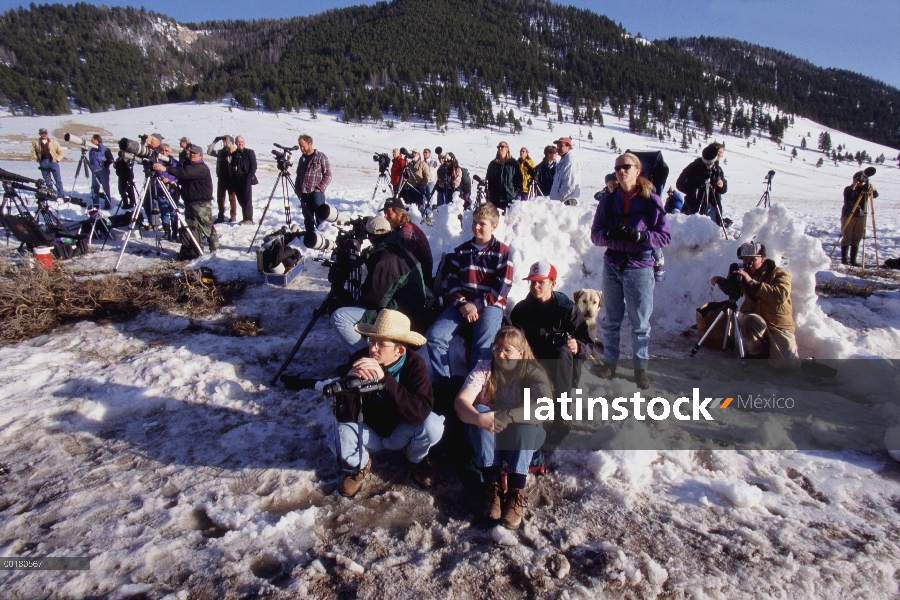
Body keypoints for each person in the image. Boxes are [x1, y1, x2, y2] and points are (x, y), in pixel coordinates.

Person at [327, 309, 444, 497]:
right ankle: (359, 465)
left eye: (381, 344)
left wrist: (385, 381)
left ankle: (415, 459)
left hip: (400, 431)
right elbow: (344, 416)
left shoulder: (415, 365)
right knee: (337, 434)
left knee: (434, 425)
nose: (373, 348)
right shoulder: (360, 359)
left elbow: (419, 412)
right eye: (371, 341)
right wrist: (348, 387)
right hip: (370, 431)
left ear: (399, 350)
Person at [455, 327, 550, 529]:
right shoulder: (484, 368)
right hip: (490, 437)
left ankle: (516, 492)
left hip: (523, 436)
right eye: (497, 349)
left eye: (507, 350)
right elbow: (461, 402)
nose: (500, 354)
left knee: (527, 419)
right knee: (480, 409)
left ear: (520, 354)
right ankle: (493, 487)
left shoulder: (532, 371)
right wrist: (478, 418)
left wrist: (508, 416)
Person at [590, 152, 671, 389]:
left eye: (626, 167)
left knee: (640, 323)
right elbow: (595, 235)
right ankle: (610, 364)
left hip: (639, 266)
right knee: (611, 319)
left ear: (637, 171)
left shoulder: (650, 200)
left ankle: (640, 368)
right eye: (617, 168)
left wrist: (641, 236)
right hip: (613, 265)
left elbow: (664, 236)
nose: (621, 171)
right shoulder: (607, 201)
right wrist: (608, 234)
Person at [426, 202, 513, 381]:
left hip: (490, 304)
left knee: (482, 348)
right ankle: (444, 383)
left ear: (494, 226)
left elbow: (503, 286)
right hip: (464, 303)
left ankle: (477, 389)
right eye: (474, 222)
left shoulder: (502, 252)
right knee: (435, 337)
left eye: (482, 224)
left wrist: (478, 304)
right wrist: (464, 304)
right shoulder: (463, 250)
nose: (477, 227)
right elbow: (452, 281)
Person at [330, 217, 427, 353]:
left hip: (403, 316)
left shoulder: (385, 260)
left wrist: (345, 298)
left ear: (371, 237)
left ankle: (365, 357)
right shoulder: (398, 250)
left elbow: (374, 300)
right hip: (410, 310)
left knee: (340, 316)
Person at [711, 242, 800, 368]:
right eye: (746, 260)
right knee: (748, 320)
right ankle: (756, 354)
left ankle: (776, 350)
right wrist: (723, 283)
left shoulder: (779, 274)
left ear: (762, 259)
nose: (748, 263)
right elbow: (735, 293)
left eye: (752, 259)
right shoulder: (745, 274)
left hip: (777, 324)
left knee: (787, 367)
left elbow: (780, 296)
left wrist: (752, 282)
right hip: (756, 322)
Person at [510, 261, 592, 395]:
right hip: (532, 358)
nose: (535, 286)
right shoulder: (521, 310)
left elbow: (586, 341)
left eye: (541, 282)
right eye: (532, 282)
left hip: (560, 364)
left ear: (552, 284)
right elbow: (515, 338)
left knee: (562, 353)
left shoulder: (568, 309)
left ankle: (561, 409)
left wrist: (577, 346)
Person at [152, 144, 219, 259]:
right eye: (190, 153)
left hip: (201, 203)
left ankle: (215, 251)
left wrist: (165, 169)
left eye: (195, 153)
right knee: (190, 227)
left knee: (207, 227)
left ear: (200, 155)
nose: (192, 155)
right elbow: (183, 176)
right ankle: (193, 251)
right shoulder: (189, 165)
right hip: (189, 202)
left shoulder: (201, 167)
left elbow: (185, 173)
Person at [382, 197, 434, 288]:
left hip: (421, 280)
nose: (385, 216)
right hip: (413, 272)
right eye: (384, 213)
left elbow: (399, 261)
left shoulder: (407, 232)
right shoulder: (399, 229)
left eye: (388, 213)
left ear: (400, 214)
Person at [676, 142, 727, 225]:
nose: (721, 156)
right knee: (692, 230)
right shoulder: (695, 166)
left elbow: (724, 189)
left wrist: (722, 186)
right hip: (693, 205)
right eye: (720, 153)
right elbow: (680, 184)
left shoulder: (717, 170)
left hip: (712, 207)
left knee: (711, 234)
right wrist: (697, 186)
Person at [294, 134, 332, 233]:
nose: (301, 149)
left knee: (320, 217)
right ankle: (310, 238)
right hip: (304, 193)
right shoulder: (302, 159)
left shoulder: (321, 157)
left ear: (310, 144)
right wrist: (297, 188)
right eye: (300, 146)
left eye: (303, 146)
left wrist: (319, 188)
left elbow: (328, 175)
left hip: (316, 193)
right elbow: (298, 175)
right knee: (308, 218)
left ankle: (322, 237)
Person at [840, 171, 879, 266]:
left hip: (861, 216)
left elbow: (876, 196)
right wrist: (854, 187)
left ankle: (853, 260)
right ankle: (844, 260)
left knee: (857, 237)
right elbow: (848, 198)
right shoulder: (848, 189)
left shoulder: (865, 190)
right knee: (847, 237)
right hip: (849, 215)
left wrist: (873, 189)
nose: (862, 182)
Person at [152, 144, 181, 241]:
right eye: (162, 150)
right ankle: (167, 233)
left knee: (174, 213)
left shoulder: (176, 163)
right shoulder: (157, 164)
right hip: (161, 191)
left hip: (173, 191)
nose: (164, 152)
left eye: (166, 151)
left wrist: (171, 181)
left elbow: (180, 175)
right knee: (164, 213)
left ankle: (175, 233)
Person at [207, 135, 237, 224]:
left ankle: (233, 215)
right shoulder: (220, 152)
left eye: (226, 141)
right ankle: (221, 216)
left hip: (230, 177)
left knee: (232, 197)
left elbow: (234, 155)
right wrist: (214, 142)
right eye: (223, 141)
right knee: (220, 197)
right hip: (221, 177)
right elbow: (209, 152)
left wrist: (230, 147)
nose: (224, 142)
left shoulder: (233, 151)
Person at [30, 128, 65, 198]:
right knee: (47, 179)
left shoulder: (53, 142)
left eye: (45, 133)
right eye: (42, 133)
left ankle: (61, 194)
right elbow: (33, 151)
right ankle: (50, 193)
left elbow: (61, 152)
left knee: (57, 179)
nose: (44, 135)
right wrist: (37, 159)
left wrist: (57, 159)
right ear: (40, 134)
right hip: (43, 162)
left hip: (52, 162)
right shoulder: (36, 142)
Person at [230, 136, 257, 225]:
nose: (240, 143)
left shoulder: (249, 152)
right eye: (238, 142)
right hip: (237, 179)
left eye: (241, 141)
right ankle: (244, 218)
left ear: (244, 142)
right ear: (235, 143)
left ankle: (249, 219)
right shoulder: (234, 154)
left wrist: (249, 176)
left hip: (246, 178)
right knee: (240, 199)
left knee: (247, 199)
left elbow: (254, 165)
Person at [486, 142, 519, 211]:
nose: (500, 148)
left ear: (507, 149)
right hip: (495, 198)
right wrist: (491, 192)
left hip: (509, 198)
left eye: (502, 146)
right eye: (498, 147)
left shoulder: (513, 163)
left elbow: (519, 180)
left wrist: (514, 192)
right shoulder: (493, 164)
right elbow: (489, 179)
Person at [549, 137, 580, 205]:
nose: (558, 148)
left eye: (561, 146)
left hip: (567, 202)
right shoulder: (563, 160)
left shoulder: (570, 161)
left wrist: (556, 199)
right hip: (561, 202)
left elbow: (568, 186)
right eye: (558, 146)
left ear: (568, 147)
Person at [402, 149, 431, 222]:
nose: (413, 154)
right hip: (410, 188)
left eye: (415, 153)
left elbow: (427, 176)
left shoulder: (422, 164)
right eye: (412, 153)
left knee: (420, 206)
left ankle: (423, 220)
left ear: (418, 155)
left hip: (419, 188)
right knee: (411, 206)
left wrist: (422, 185)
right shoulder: (409, 164)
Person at [88, 134, 114, 210]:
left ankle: (107, 204)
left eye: (92, 139)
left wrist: (104, 165)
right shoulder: (92, 150)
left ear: (96, 139)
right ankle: (95, 203)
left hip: (103, 171)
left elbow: (110, 159)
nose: (91, 140)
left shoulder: (105, 149)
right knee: (95, 187)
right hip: (94, 171)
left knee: (105, 188)